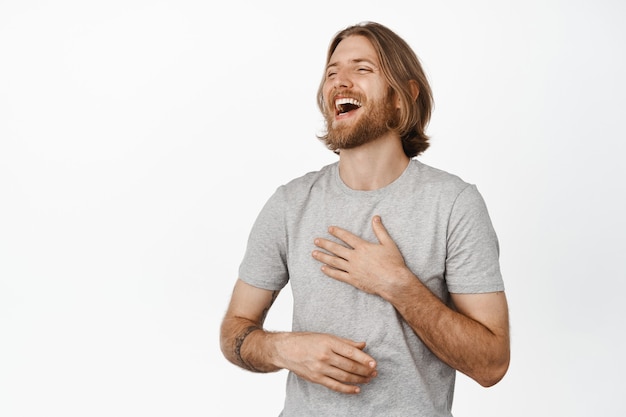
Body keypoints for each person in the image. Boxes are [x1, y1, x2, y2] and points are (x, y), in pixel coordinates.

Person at [220, 21, 510, 416]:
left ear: (402, 96)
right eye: (332, 72)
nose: (340, 81)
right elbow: (235, 328)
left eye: (362, 69)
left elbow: (492, 364)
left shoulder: (454, 204)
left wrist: (397, 285)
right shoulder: (289, 204)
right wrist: (284, 349)